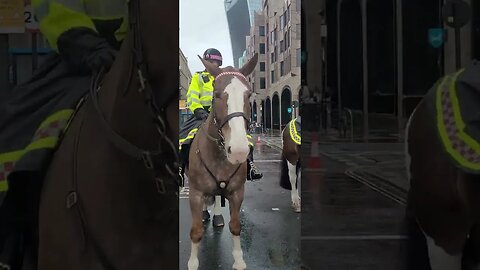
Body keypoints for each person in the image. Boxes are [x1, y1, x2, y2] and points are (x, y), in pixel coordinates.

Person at [0, 1, 128, 269]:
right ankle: (13, 242)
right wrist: (81, 41)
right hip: (82, 54)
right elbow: (52, 6)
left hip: (139, 54)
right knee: (16, 130)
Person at [178, 48, 263, 185]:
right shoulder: (198, 77)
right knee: (184, 137)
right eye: (210, 61)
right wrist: (198, 110)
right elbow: (192, 96)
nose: (214, 64)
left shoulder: (224, 77)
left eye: (216, 62)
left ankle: (251, 167)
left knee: (245, 137)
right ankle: (180, 169)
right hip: (201, 114)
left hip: (221, 115)